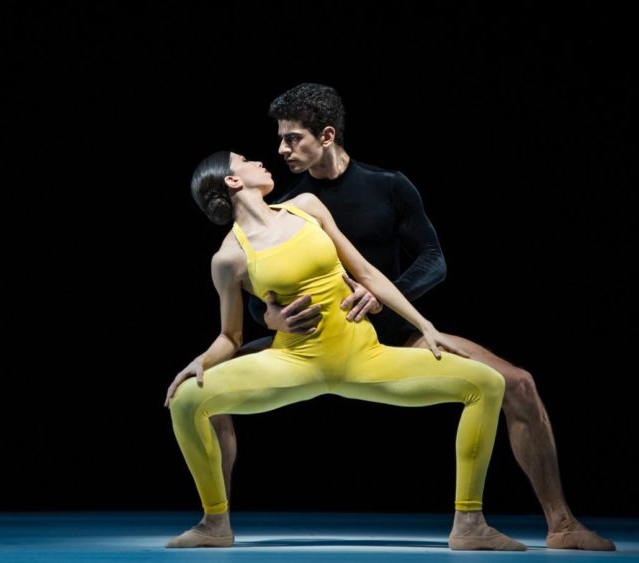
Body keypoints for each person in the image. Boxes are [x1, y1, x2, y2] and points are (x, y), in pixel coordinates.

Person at [209, 83, 615, 551]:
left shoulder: (388, 185)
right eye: (279, 139)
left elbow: (433, 258)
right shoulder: (289, 205)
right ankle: (215, 523)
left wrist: (383, 296)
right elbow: (258, 292)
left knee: (518, 383)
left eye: (292, 138)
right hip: (312, 344)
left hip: (393, 335)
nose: (280, 150)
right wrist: (273, 318)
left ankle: (562, 525)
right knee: (205, 386)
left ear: (325, 135)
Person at [164, 151, 526, 551]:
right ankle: (215, 523)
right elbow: (230, 337)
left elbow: (367, 274)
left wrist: (427, 327)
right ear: (233, 181)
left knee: (487, 383)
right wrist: (201, 360)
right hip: (293, 364)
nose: (261, 162)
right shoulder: (228, 257)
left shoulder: (305, 208)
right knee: (186, 400)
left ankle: (469, 524)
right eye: (246, 160)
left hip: (364, 356)